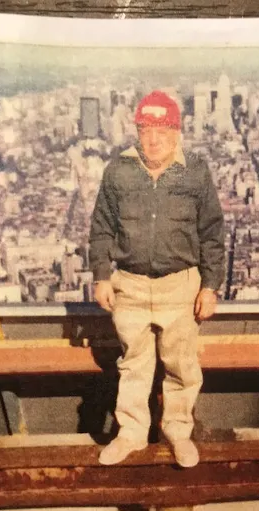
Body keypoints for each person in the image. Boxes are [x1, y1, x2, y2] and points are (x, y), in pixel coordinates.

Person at [89, 90, 225, 467]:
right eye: (146, 130)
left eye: (163, 130)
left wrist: (210, 286)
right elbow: (101, 228)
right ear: (137, 131)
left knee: (181, 365)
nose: (154, 139)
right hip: (129, 284)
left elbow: (212, 232)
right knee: (133, 364)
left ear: (177, 133)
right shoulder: (118, 171)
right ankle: (130, 433)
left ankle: (178, 432)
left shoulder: (195, 171)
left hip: (180, 285)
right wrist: (102, 276)